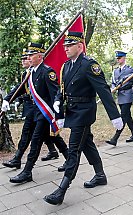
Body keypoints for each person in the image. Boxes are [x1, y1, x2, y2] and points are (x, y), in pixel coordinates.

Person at [43, 31, 123, 205]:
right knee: (87, 143)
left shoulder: (89, 65)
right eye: (65, 45)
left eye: (69, 45)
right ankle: (100, 175)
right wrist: (57, 102)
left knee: (74, 149)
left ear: (80, 46)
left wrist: (115, 116)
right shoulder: (67, 65)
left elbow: (103, 90)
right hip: (73, 111)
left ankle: (61, 190)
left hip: (85, 112)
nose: (66, 48)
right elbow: (61, 89)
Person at [2, 42, 68, 183]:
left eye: (32, 55)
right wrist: (7, 99)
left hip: (45, 113)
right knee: (51, 138)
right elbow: (20, 88)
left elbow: (55, 93)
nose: (29, 57)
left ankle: (27, 172)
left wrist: (58, 114)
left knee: (36, 141)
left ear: (40, 56)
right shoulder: (31, 72)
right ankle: (70, 159)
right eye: (29, 55)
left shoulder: (46, 72)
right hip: (36, 112)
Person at [105, 50, 133, 146]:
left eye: (119, 58)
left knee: (123, 116)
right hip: (120, 95)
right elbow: (114, 83)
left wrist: (125, 79)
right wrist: (112, 89)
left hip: (128, 95)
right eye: (117, 58)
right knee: (127, 115)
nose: (118, 60)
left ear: (124, 58)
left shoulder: (129, 69)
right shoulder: (115, 71)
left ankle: (115, 138)